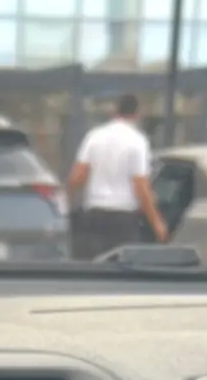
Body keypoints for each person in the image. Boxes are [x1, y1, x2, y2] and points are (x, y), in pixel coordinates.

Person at [68, 95, 169, 261]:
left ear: (115, 111)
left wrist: (69, 204)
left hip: (94, 214)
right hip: (123, 219)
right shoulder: (137, 141)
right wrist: (156, 222)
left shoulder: (94, 136)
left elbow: (77, 177)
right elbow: (141, 186)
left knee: (92, 266)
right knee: (121, 268)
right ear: (137, 114)